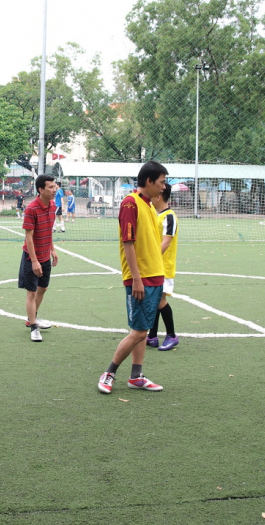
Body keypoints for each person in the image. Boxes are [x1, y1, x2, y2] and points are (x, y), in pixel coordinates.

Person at [98, 160, 168, 394]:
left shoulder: (149, 205)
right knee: (138, 331)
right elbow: (128, 243)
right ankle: (109, 373)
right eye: (161, 182)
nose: (163, 187)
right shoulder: (131, 203)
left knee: (144, 330)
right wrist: (136, 278)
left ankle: (136, 376)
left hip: (155, 276)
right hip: (141, 278)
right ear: (148, 181)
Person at [19, 174, 59, 342]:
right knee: (31, 293)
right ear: (41, 189)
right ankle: (34, 327)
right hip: (31, 257)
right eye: (50, 187)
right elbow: (29, 237)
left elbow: (48, 230)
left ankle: (32, 318)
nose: (55, 189)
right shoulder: (31, 209)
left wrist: (53, 250)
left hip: (45, 255)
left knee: (43, 289)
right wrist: (34, 261)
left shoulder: (52, 205)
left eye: (55, 186)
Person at [147, 182, 179, 351]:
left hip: (163, 266)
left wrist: (151, 259)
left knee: (160, 300)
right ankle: (152, 336)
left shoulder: (169, 216)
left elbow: (166, 242)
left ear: (159, 196)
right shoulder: (154, 214)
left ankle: (172, 335)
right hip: (154, 265)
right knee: (154, 301)